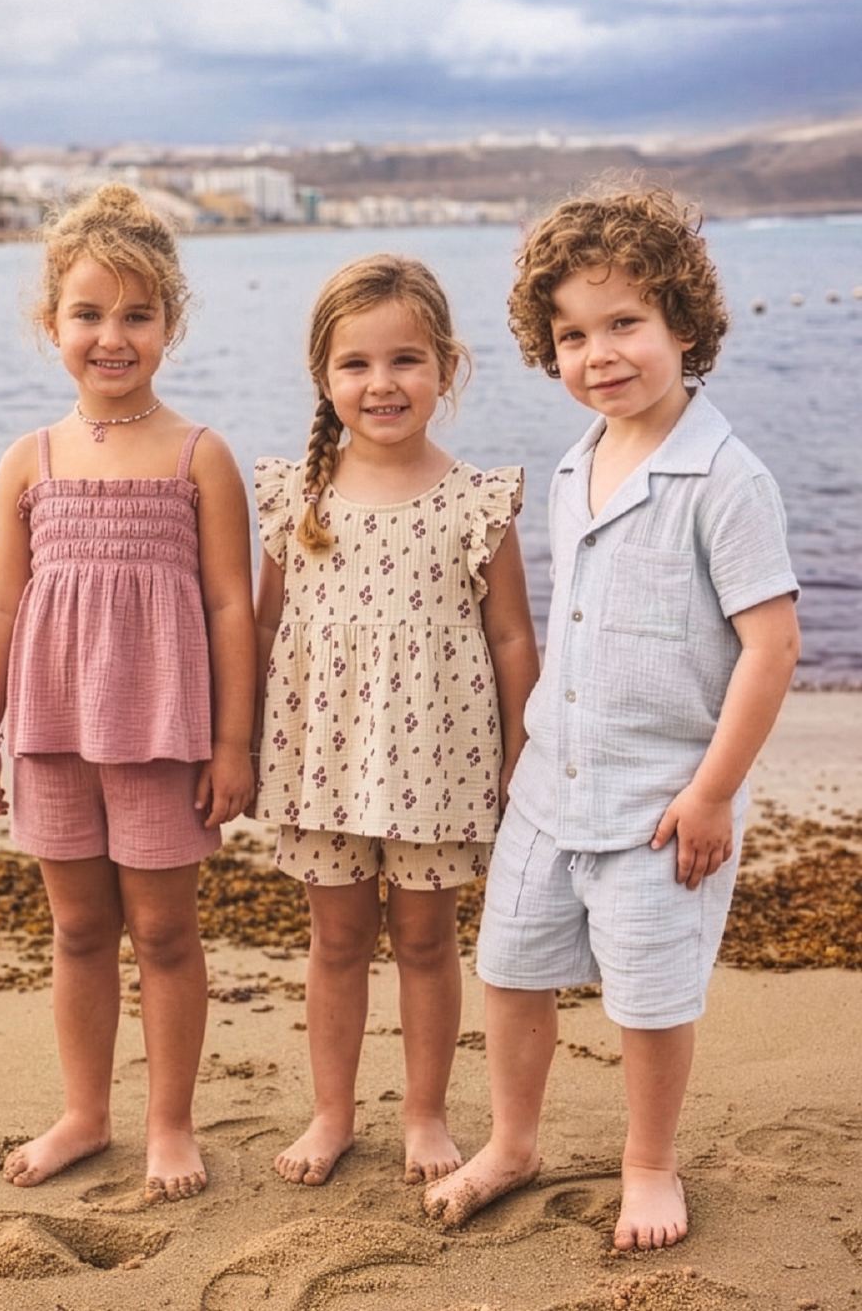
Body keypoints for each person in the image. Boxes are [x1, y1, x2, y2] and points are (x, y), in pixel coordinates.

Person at [424, 184, 800, 1249]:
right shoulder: (575, 464)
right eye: (572, 335)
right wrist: (527, 747)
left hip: (662, 801)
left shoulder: (725, 478)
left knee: (648, 998)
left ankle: (649, 1163)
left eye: (624, 323)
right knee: (511, 970)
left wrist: (715, 792)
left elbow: (771, 647)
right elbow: (575, 624)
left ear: (684, 321)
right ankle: (512, 1141)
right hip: (554, 784)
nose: (600, 354)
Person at [0, 183, 256, 1205]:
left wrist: (234, 743)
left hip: (163, 735)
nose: (112, 336)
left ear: (170, 323)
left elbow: (231, 610)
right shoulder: (25, 461)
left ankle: (170, 1123)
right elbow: (0, 610)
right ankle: (86, 1114)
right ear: (53, 326)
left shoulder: (199, 456)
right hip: (49, 733)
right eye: (88, 314)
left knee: (168, 935)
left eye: (136, 314)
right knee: (79, 932)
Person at [253, 254, 539, 1188]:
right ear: (324, 377)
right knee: (335, 940)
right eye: (357, 365)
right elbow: (262, 628)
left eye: (407, 360)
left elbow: (509, 639)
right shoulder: (295, 498)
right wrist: (241, 741)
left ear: (448, 367)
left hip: (443, 756)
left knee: (425, 941)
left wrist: (522, 750)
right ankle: (332, 1113)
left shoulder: (477, 501)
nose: (382, 384)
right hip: (323, 758)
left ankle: (424, 1115)